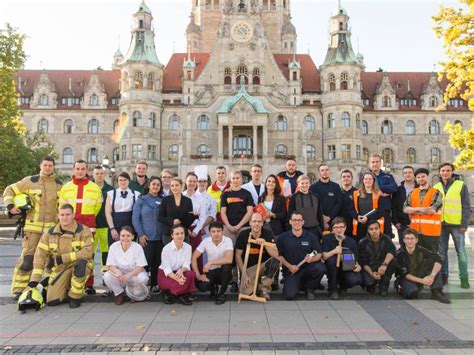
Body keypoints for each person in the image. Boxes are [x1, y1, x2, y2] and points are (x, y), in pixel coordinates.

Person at [3, 156, 63, 299]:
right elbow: (9, 190)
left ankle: (48, 288)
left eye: (50, 165)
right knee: (27, 260)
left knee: (51, 261)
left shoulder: (59, 185)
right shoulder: (30, 181)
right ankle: (19, 289)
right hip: (32, 229)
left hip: (51, 231)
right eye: (45, 165)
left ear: (54, 167)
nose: (48, 168)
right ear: (40, 166)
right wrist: (10, 206)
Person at [26, 204, 93, 308]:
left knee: (80, 266)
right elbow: (40, 256)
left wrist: (64, 258)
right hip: (59, 269)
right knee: (52, 301)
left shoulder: (83, 230)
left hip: (80, 266)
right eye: (62, 215)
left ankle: (75, 296)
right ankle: (63, 289)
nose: (65, 217)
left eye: (67, 214)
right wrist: (35, 279)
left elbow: (88, 252)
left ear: (73, 215)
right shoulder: (49, 233)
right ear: (58, 216)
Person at [59, 160, 102, 295]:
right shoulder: (66, 187)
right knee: (69, 253)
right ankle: (68, 283)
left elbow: (97, 207)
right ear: (73, 169)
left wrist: (88, 217)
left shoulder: (94, 187)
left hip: (89, 224)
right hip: (70, 224)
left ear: (86, 170)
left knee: (89, 254)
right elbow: (62, 207)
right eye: (77, 168)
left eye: (83, 169)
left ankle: (89, 284)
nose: (80, 171)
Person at [434, 163, 471, 289]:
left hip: (457, 225)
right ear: (439, 172)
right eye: (443, 170)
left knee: (461, 252)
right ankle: (444, 277)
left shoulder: (460, 185)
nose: (445, 173)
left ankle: (464, 279)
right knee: (442, 253)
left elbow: (466, 206)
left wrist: (464, 224)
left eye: (448, 170)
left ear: (452, 172)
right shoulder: (436, 186)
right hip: (441, 224)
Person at [277, 211, 326, 300]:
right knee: (289, 295)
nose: (297, 222)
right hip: (292, 271)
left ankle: (310, 289)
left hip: (308, 269)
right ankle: (297, 285)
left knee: (320, 268)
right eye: (294, 220)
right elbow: (279, 256)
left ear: (303, 222)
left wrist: (311, 259)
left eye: (299, 220)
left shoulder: (311, 236)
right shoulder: (282, 237)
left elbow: (319, 254)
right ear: (290, 221)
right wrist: (289, 266)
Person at [395, 228, 450, 304]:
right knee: (412, 293)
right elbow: (405, 275)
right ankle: (400, 288)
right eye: (407, 238)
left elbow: (438, 260)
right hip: (406, 278)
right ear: (404, 240)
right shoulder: (400, 254)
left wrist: (431, 276)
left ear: (416, 240)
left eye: (412, 238)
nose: (410, 241)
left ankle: (436, 291)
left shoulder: (422, 250)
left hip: (419, 274)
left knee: (432, 262)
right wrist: (422, 281)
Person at [235, 213, 280, 300]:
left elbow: (276, 255)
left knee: (275, 262)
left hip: (263, 267)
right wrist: (244, 274)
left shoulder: (267, 234)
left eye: (259, 222)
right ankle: (257, 285)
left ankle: (264, 290)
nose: (256, 224)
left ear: (262, 223)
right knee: (246, 294)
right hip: (249, 269)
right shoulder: (243, 234)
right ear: (250, 222)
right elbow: (237, 255)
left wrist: (265, 244)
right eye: (254, 221)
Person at [132, 176, 163, 294]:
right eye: (153, 184)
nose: (155, 186)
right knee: (145, 263)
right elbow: (135, 219)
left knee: (158, 263)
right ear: (149, 185)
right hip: (146, 238)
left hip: (160, 238)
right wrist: (140, 234)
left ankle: (155, 285)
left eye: (158, 185)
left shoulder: (163, 200)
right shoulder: (141, 200)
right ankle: (140, 287)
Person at [103, 226, 148, 305]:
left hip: (133, 275)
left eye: (128, 235)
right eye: (122, 236)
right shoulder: (113, 247)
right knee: (107, 276)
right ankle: (119, 294)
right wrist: (117, 271)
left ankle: (134, 294)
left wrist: (129, 274)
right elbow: (110, 265)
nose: (125, 238)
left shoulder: (137, 247)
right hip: (120, 277)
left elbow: (141, 267)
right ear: (119, 236)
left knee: (143, 278)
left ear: (133, 237)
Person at [192, 221, 233, 305]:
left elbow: (229, 259)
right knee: (201, 286)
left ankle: (222, 294)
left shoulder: (228, 240)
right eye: (213, 231)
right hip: (211, 272)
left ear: (222, 231)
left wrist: (210, 262)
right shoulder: (206, 241)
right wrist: (198, 275)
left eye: (218, 231)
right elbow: (194, 257)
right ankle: (213, 288)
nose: (216, 234)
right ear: (210, 233)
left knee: (227, 267)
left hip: (223, 272)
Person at [403, 168, 443, 253]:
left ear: (427, 177)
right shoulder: (412, 193)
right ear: (416, 179)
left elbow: (432, 210)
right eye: (418, 177)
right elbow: (405, 209)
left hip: (431, 233)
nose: (421, 178)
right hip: (415, 232)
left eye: (423, 176)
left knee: (431, 259)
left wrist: (413, 210)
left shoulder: (436, 192)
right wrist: (421, 209)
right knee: (416, 258)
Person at [322, 217, 362, 300]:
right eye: (336, 227)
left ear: (345, 228)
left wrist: (358, 266)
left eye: (341, 227)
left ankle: (343, 287)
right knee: (331, 260)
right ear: (332, 228)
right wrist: (334, 251)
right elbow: (324, 256)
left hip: (347, 266)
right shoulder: (327, 238)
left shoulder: (351, 241)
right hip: (332, 268)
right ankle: (333, 290)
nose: (339, 230)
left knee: (356, 279)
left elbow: (355, 259)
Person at [158, 224, 197, 305]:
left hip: (179, 272)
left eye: (182, 233)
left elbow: (186, 263)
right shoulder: (166, 249)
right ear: (172, 235)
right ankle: (172, 293)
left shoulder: (188, 247)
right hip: (166, 275)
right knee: (180, 282)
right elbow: (167, 269)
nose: (180, 236)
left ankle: (177, 294)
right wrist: (177, 279)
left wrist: (181, 271)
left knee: (191, 274)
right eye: (177, 234)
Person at [358, 220, 396, 297]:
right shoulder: (363, 242)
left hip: (382, 266)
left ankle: (384, 286)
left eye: (376, 228)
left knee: (393, 261)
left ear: (380, 229)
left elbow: (392, 251)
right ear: (368, 231)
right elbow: (363, 262)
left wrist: (384, 265)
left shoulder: (386, 239)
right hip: (370, 268)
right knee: (369, 283)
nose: (374, 231)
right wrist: (372, 274)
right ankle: (371, 284)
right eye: (371, 229)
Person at [105, 172, 140, 246]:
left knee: (130, 249)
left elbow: (138, 213)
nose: (123, 182)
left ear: (129, 181)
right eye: (120, 180)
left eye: (125, 180)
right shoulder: (111, 194)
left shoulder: (136, 194)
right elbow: (108, 212)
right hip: (115, 225)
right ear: (117, 181)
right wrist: (112, 229)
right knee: (114, 249)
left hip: (130, 225)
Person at [350, 172, 386, 241]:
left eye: (370, 179)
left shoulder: (379, 194)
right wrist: (357, 217)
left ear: (373, 181)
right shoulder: (356, 193)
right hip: (359, 226)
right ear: (362, 180)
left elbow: (381, 211)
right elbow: (351, 209)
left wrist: (367, 218)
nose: (368, 181)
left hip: (374, 227)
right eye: (366, 179)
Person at [368, 153, 398, 237]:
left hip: (385, 210)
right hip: (370, 210)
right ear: (369, 163)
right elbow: (363, 188)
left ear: (380, 163)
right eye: (373, 162)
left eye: (377, 162)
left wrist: (377, 188)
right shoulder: (365, 177)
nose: (375, 164)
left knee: (386, 236)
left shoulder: (388, 176)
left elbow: (394, 188)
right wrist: (381, 191)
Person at [220, 170, 254, 243]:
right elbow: (223, 212)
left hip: (244, 227)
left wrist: (238, 226)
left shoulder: (247, 194)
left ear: (242, 179)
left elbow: (250, 211)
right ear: (231, 180)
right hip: (228, 227)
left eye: (237, 178)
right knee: (228, 250)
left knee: (242, 250)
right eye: (233, 178)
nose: (235, 180)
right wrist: (229, 226)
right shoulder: (225, 194)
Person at [159, 177, 195, 245]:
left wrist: (194, 216)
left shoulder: (188, 201)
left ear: (181, 186)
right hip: (169, 234)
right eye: (172, 186)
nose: (174, 187)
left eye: (177, 185)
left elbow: (189, 219)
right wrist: (172, 221)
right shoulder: (165, 200)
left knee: (184, 254)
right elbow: (160, 217)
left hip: (183, 234)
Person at [183, 172, 209, 270]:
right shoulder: (180, 196)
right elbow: (177, 215)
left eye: (194, 181)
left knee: (197, 254)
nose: (192, 183)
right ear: (186, 182)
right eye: (190, 181)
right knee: (184, 254)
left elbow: (203, 217)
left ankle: (197, 279)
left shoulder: (200, 198)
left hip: (195, 229)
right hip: (182, 229)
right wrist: (186, 229)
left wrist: (195, 231)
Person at [287, 175, 323, 240]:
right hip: (300, 230)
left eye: (307, 183)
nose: (304, 185)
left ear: (309, 184)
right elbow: (290, 215)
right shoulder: (294, 197)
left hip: (314, 230)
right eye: (302, 183)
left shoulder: (316, 196)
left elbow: (319, 214)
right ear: (298, 184)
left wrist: (321, 228)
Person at [310, 164, 342, 233]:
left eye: (326, 170)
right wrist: (322, 217)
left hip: (333, 221)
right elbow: (313, 204)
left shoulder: (336, 186)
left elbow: (339, 203)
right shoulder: (313, 187)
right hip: (317, 221)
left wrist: (329, 217)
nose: (325, 172)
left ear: (329, 171)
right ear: (319, 173)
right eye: (322, 170)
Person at [92, 166, 114, 267]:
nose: (99, 176)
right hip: (91, 226)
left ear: (104, 175)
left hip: (105, 225)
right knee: (90, 252)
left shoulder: (111, 190)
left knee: (106, 252)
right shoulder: (89, 188)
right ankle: (89, 277)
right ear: (93, 175)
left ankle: (106, 276)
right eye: (97, 174)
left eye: (101, 173)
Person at [391, 166, 416, 250]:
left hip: (418, 223)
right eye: (405, 173)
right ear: (403, 175)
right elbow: (394, 206)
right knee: (404, 248)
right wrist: (395, 222)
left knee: (418, 248)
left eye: (409, 172)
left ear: (413, 174)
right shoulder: (398, 190)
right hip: (402, 223)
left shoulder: (420, 188)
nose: (407, 174)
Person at [340, 170, 356, 237]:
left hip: (354, 224)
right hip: (340, 226)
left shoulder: (357, 192)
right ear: (341, 179)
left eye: (348, 176)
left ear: (352, 178)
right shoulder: (337, 192)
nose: (346, 178)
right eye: (344, 177)